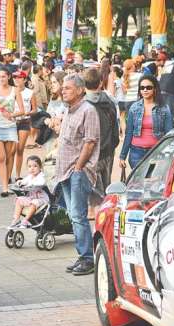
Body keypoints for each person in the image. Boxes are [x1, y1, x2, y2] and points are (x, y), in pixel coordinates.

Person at [56, 74, 100, 276]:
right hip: (65, 171)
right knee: (73, 216)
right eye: (63, 88)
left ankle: (88, 258)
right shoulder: (68, 110)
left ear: (81, 90)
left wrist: (79, 167)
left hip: (78, 172)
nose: (63, 91)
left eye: (68, 88)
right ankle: (83, 255)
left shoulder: (88, 110)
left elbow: (90, 142)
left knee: (78, 215)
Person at [84, 68, 119, 219]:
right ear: (100, 83)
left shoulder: (82, 104)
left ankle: (95, 213)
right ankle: (106, 214)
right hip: (108, 149)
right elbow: (115, 127)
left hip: (90, 151)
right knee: (106, 185)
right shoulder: (110, 101)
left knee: (93, 186)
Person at [119, 75, 172, 169]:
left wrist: (170, 155)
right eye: (142, 88)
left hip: (157, 152)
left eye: (149, 87)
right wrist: (122, 156)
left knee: (153, 181)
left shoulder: (164, 108)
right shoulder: (134, 108)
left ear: (155, 89)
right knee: (138, 182)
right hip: (136, 153)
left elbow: (169, 134)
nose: (145, 90)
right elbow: (129, 133)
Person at [0, 67, 24, 197]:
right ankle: (4, 188)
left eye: (3, 76)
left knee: (9, 156)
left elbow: (22, 110)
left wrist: (12, 115)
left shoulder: (15, 90)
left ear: (8, 77)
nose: (1, 79)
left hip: (10, 126)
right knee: (1, 157)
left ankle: (7, 184)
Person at [9, 156, 49, 229]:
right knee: (19, 200)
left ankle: (25, 220)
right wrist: (20, 182)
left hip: (41, 198)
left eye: (35, 166)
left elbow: (42, 182)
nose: (32, 168)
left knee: (34, 203)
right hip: (31, 197)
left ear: (40, 167)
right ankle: (16, 219)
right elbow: (24, 181)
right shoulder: (30, 176)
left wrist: (31, 185)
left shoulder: (41, 176)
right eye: (30, 166)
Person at [12, 70, 36, 181]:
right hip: (11, 122)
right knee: (11, 150)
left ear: (25, 80)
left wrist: (27, 113)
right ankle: (8, 174)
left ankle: (17, 175)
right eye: (15, 77)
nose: (16, 79)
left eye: (19, 78)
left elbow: (34, 109)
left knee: (20, 149)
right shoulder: (10, 91)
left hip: (24, 121)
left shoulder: (30, 93)